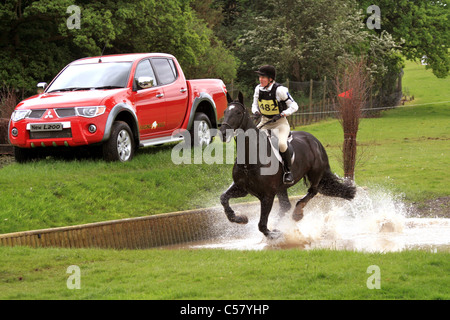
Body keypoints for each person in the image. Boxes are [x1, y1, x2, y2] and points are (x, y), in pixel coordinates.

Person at [252, 65, 299, 184]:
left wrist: (283, 113)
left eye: (263, 77)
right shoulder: (258, 89)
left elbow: (294, 106)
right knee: (249, 138)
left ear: (271, 79)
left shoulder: (280, 90)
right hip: (264, 122)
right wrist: (256, 112)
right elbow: (254, 105)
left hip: (280, 124)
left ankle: (288, 172)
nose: (260, 79)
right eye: (260, 77)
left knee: (282, 144)